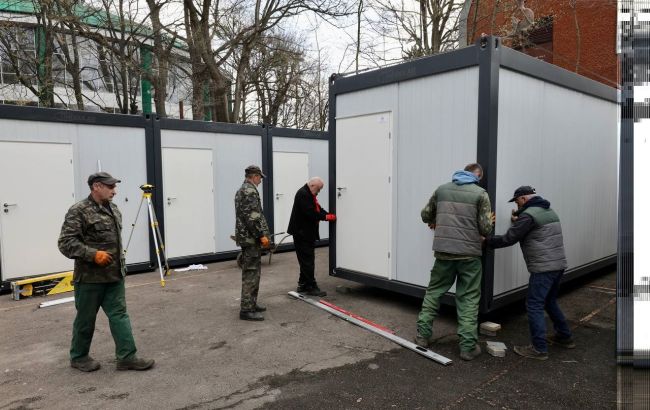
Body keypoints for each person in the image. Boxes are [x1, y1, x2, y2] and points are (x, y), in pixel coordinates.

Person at [58, 172, 154, 372]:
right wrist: (92, 254)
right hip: (89, 279)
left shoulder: (115, 210)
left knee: (119, 315)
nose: (114, 191)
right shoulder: (79, 211)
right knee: (86, 319)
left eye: (114, 187)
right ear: (96, 186)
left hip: (114, 276)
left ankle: (127, 357)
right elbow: (66, 243)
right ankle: (79, 356)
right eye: (110, 187)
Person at [414, 163, 494, 361]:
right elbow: (485, 229)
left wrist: (438, 219)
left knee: (434, 292)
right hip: (469, 256)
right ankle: (467, 347)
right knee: (468, 298)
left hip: (444, 253)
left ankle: (422, 336)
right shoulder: (480, 193)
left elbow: (425, 215)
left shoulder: (442, 189)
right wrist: (488, 222)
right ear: (478, 176)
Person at [485, 186, 573, 360]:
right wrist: (518, 219)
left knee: (534, 305)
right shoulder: (548, 210)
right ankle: (565, 337)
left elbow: (508, 239)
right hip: (558, 265)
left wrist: (486, 241)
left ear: (524, 199)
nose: (516, 205)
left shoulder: (528, 216)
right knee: (549, 301)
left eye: (517, 201)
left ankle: (539, 349)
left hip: (543, 268)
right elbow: (535, 228)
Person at [287, 177, 336, 297]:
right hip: (302, 233)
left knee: (305, 260)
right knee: (308, 260)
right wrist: (326, 217)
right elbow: (311, 213)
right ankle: (311, 286)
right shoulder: (303, 194)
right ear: (313, 185)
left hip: (305, 233)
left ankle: (302, 284)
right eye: (319, 189)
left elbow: (317, 208)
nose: (319, 192)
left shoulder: (309, 194)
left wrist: (328, 214)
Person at [234, 165, 271, 321]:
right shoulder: (249, 191)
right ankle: (246, 309)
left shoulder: (242, 189)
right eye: (260, 177)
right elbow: (252, 217)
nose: (261, 180)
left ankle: (251, 303)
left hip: (247, 237)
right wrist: (261, 235)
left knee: (254, 272)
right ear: (254, 176)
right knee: (251, 273)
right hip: (251, 238)